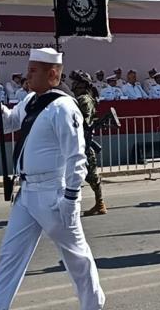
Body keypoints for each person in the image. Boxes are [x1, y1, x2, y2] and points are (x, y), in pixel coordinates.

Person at [0, 48, 104, 310]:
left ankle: (93, 305)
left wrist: (72, 199)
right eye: (28, 69)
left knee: (76, 257)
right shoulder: (31, 101)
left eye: (33, 70)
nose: (27, 75)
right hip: (27, 192)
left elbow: (77, 157)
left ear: (52, 74)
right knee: (10, 255)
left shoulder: (63, 107)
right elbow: (8, 123)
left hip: (53, 193)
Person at [69, 70, 108, 217]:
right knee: (88, 174)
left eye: (75, 82)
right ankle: (99, 203)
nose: (72, 85)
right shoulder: (81, 98)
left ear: (81, 84)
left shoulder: (84, 99)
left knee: (90, 175)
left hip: (82, 141)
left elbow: (82, 121)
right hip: (80, 140)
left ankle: (100, 203)